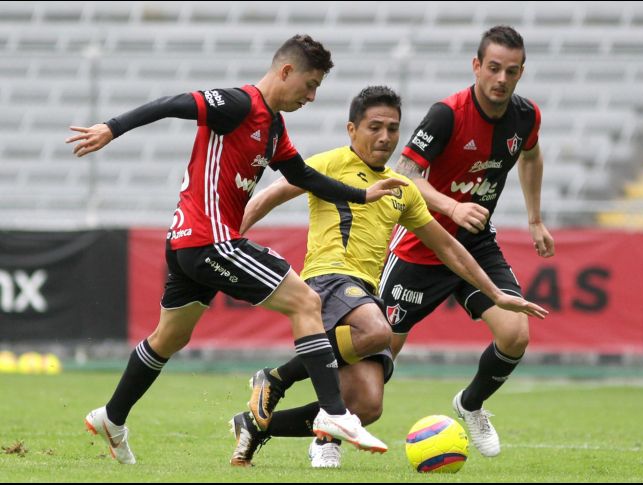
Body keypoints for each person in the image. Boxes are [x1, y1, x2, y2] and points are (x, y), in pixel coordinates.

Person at [65, 34, 405, 465]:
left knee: (170, 337)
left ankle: (112, 417)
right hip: (209, 240)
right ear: (286, 72)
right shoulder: (237, 104)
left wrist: (362, 195)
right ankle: (335, 414)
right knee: (306, 300)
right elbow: (172, 103)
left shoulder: (273, 127)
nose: (313, 96)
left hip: (188, 243)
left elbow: (301, 174)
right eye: (310, 84)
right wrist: (111, 127)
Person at [226, 85, 547, 468]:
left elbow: (447, 247)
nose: (385, 137)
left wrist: (496, 293)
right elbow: (269, 196)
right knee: (377, 331)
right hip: (327, 281)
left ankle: (256, 425)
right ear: (351, 130)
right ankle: (275, 378)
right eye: (374, 127)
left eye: (393, 129)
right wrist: (226, 241)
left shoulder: (402, 188)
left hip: (364, 293)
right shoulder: (328, 164)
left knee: (367, 404)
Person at [378, 25, 556, 458]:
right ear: (476, 66)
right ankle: (328, 436)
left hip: (475, 243)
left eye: (511, 71)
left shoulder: (526, 116)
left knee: (515, 333)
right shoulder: (448, 114)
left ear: (521, 72)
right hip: (422, 245)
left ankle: (471, 404)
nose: (501, 78)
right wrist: (452, 207)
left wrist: (534, 219)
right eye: (493, 68)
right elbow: (404, 174)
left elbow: (530, 156)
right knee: (377, 361)